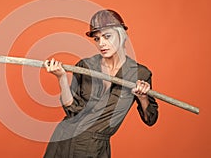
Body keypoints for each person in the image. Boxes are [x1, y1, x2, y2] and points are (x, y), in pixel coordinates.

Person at [43, 9, 158, 158]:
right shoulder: (85, 66)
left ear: (121, 35)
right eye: (97, 39)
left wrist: (142, 97)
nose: (101, 43)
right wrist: (62, 79)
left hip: (94, 149)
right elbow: (71, 111)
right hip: (63, 141)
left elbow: (151, 119)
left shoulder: (139, 73)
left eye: (107, 36)